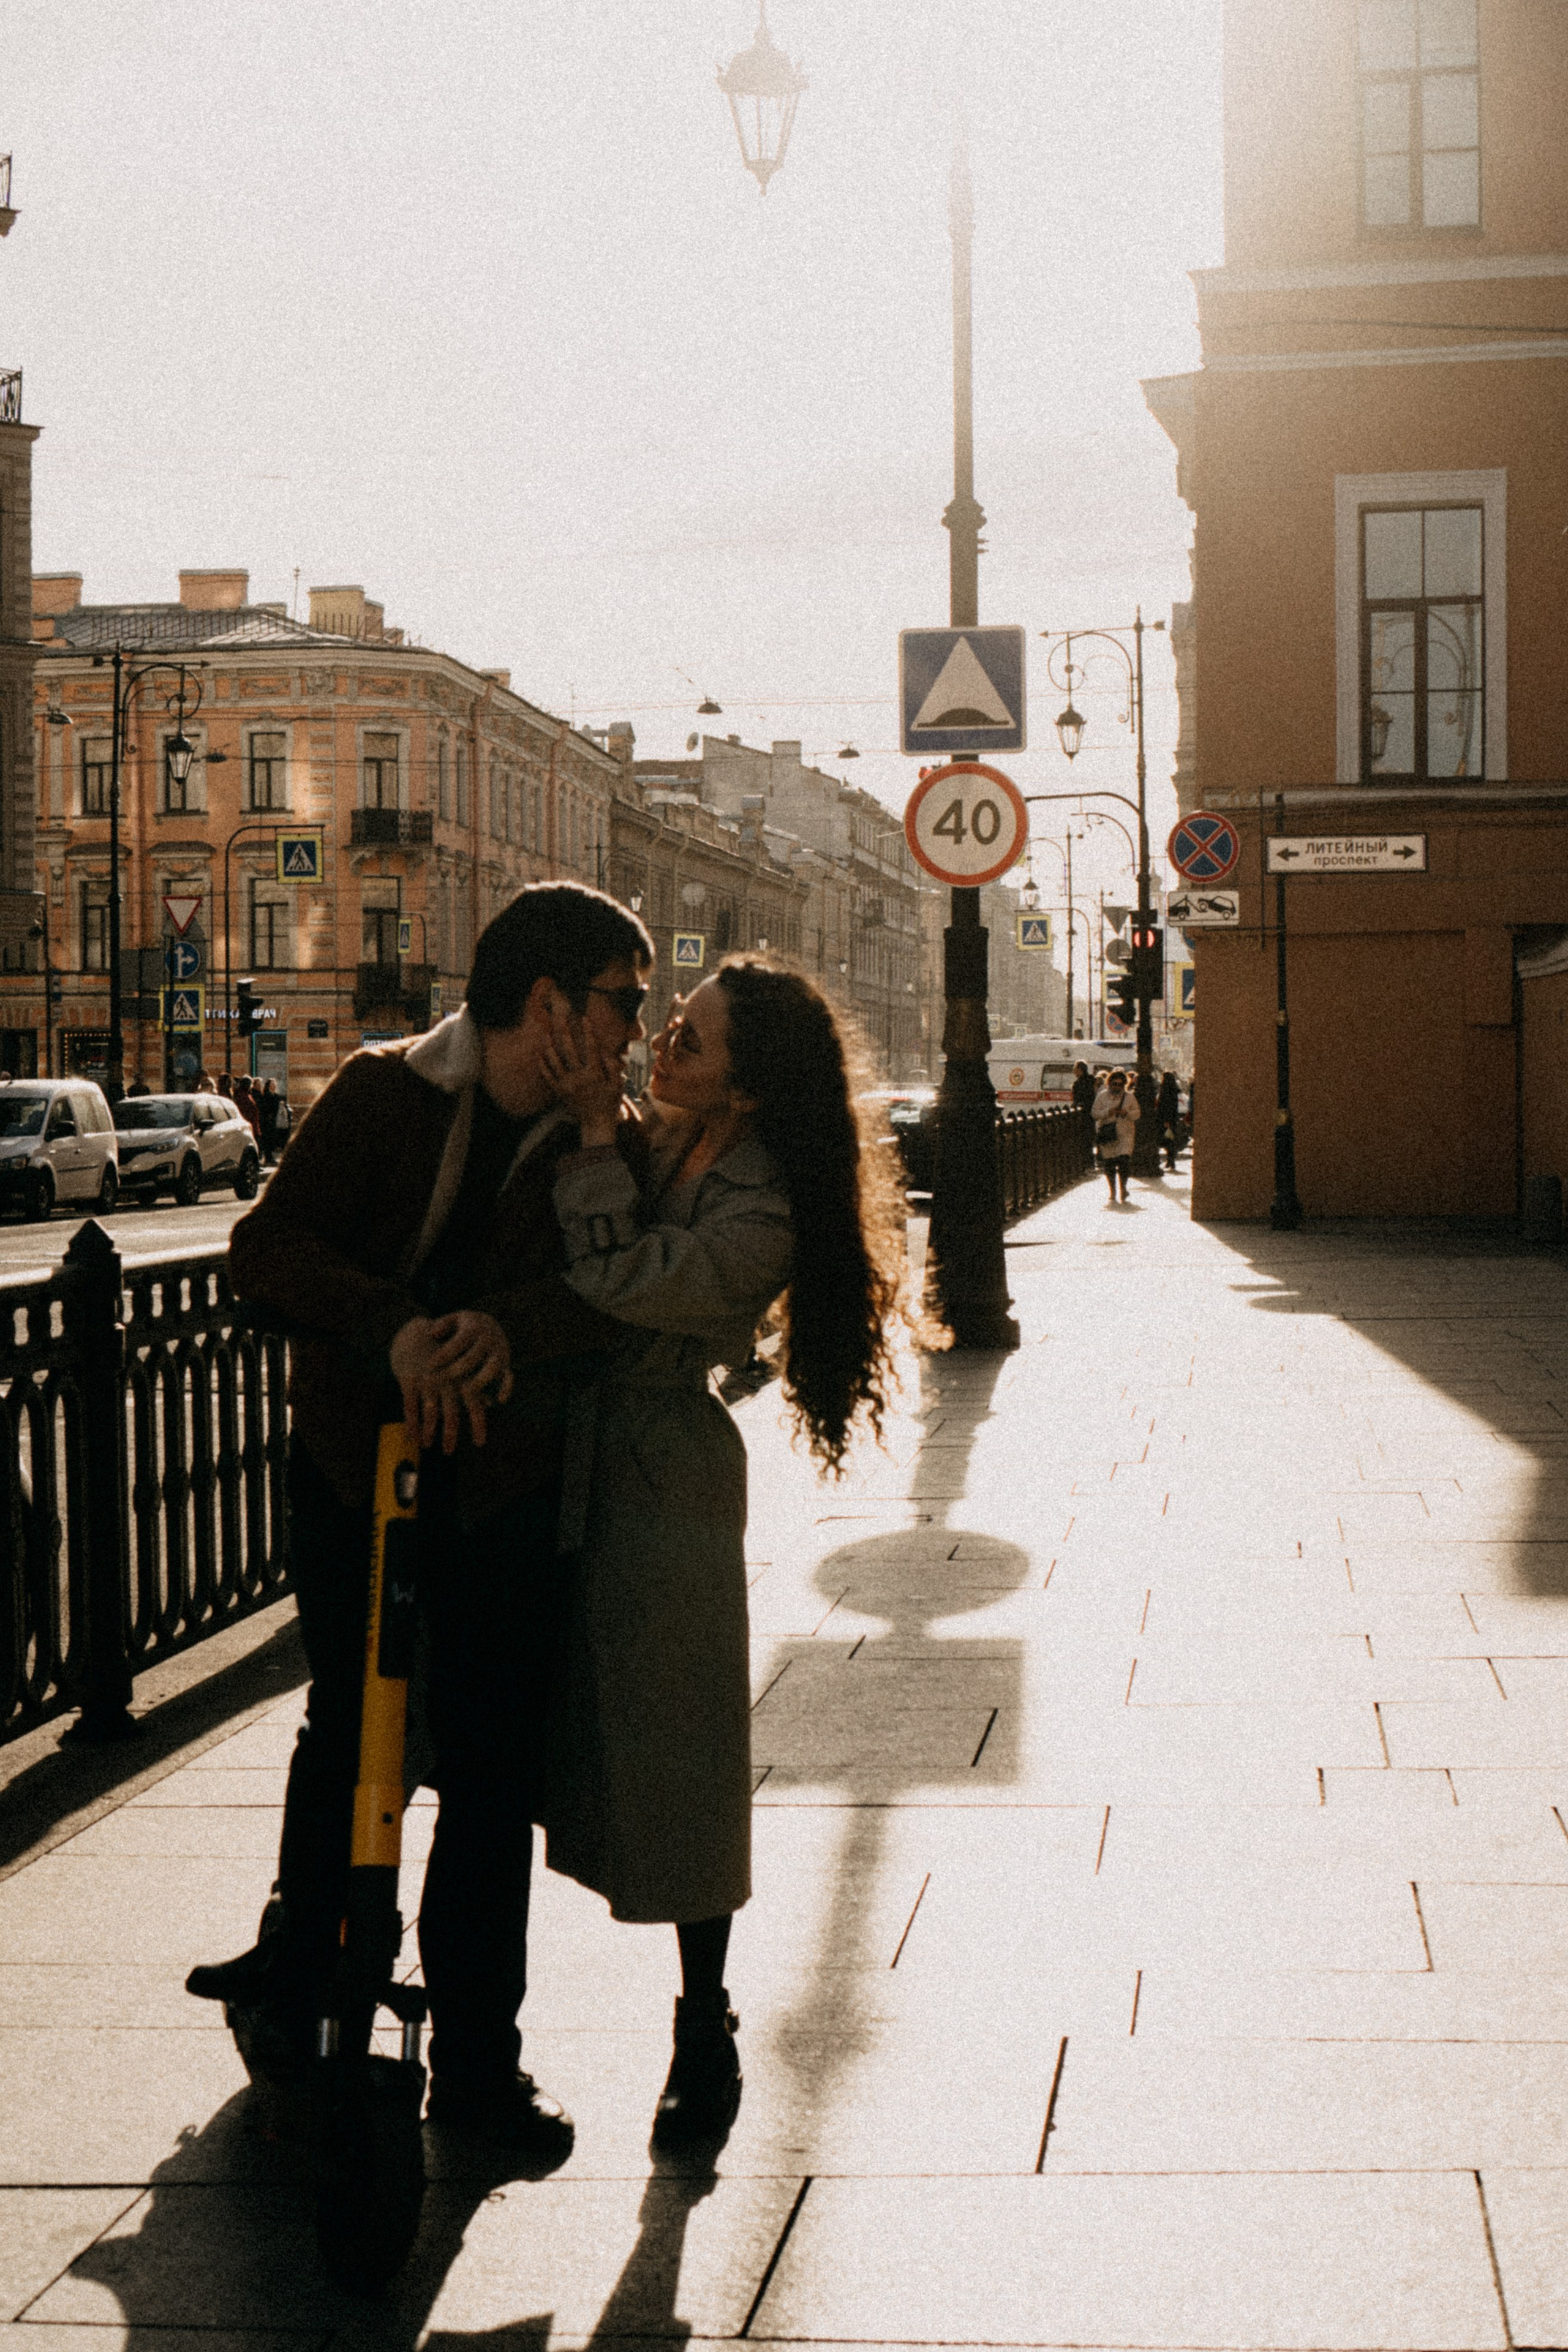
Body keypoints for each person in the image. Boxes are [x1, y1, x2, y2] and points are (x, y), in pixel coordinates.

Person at [185, 882, 655, 2154]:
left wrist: (504, 1333)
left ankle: (479, 2067)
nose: (635, 1032)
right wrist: (394, 1333)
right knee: (350, 1733)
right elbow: (267, 1249)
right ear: (548, 1002)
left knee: (492, 1772)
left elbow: (620, 1295)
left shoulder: (606, 1135)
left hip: (504, 1493)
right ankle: (316, 1980)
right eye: (623, 1002)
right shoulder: (386, 1091)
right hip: (356, 1476)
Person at [539, 957, 902, 2147]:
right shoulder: (659, 1137)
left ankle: (703, 2022)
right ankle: (470, 2030)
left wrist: (596, 1135)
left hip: (664, 1480)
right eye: (667, 1025)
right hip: (551, 1458)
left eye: (688, 1041)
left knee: (685, 1757)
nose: (660, 1049)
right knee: (515, 1741)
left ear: (745, 1087)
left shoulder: (767, 1200)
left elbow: (624, 1279)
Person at [1093, 1067, 1137, 1204]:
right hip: (1108, 1134)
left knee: (1124, 1161)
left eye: (1120, 1085)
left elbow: (1137, 1114)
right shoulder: (1102, 1096)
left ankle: (1123, 1188)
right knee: (1110, 1164)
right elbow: (1094, 1113)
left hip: (1125, 1134)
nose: (1117, 1087)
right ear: (1109, 1083)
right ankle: (1113, 1190)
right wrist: (1108, 1112)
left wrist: (1127, 1114)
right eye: (1114, 1084)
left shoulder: (1129, 1097)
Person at [1156, 1069, 1183, 1172]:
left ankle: (1170, 1161)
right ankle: (1171, 1161)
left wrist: (1165, 1121)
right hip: (1172, 1119)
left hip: (1165, 1120)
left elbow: (1164, 1106)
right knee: (1170, 1140)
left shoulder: (1166, 1090)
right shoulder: (1174, 1090)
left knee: (1166, 1140)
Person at [256, 1077, 282, 1163]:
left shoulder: (274, 1095)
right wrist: (269, 1116)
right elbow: (267, 1107)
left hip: (272, 1120)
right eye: (272, 1084)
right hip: (268, 1121)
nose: (274, 1085)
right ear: (268, 1086)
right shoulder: (268, 1095)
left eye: (275, 1084)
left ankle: (269, 1157)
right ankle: (269, 1157)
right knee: (268, 1139)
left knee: (271, 1139)